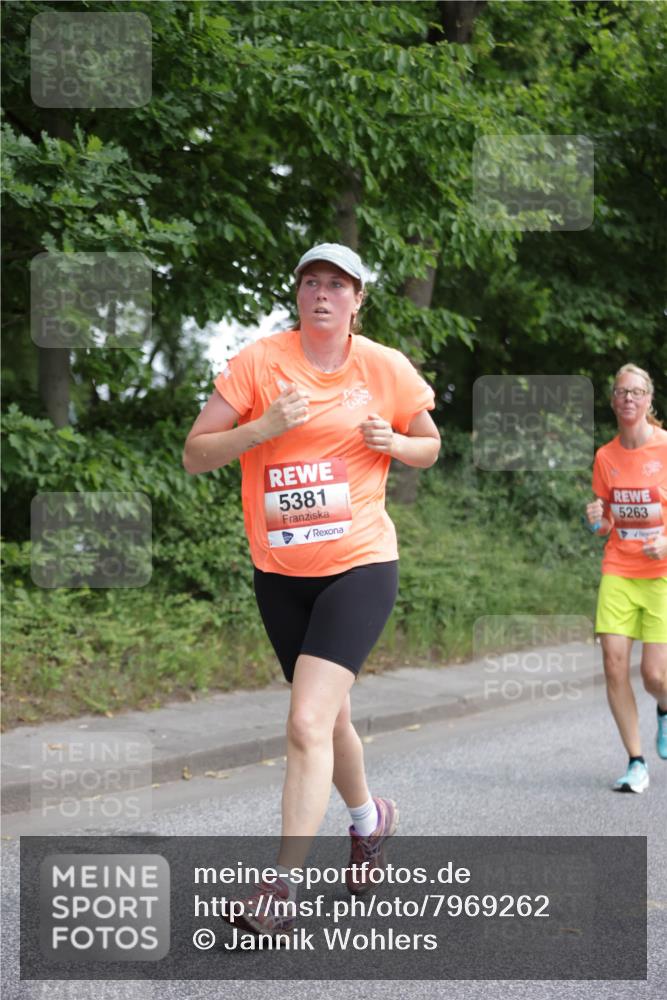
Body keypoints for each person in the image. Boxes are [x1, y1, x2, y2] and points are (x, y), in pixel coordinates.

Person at [183, 243, 440, 932]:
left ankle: (279, 891)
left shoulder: (383, 366)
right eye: (310, 283)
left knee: (303, 722)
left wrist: (394, 441)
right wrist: (262, 428)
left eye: (337, 285)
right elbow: (194, 453)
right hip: (280, 575)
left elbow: (430, 444)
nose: (321, 293)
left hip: (359, 565)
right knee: (328, 719)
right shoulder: (258, 364)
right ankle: (369, 819)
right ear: (297, 295)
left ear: (357, 300)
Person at [585, 363, 667, 794]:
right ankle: (636, 761)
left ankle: (664, 708)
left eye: (637, 392)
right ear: (614, 401)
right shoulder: (605, 457)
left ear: (650, 399)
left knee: (655, 676)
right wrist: (596, 519)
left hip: (661, 576)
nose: (629, 398)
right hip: (619, 567)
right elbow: (606, 523)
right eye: (621, 392)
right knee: (614, 663)